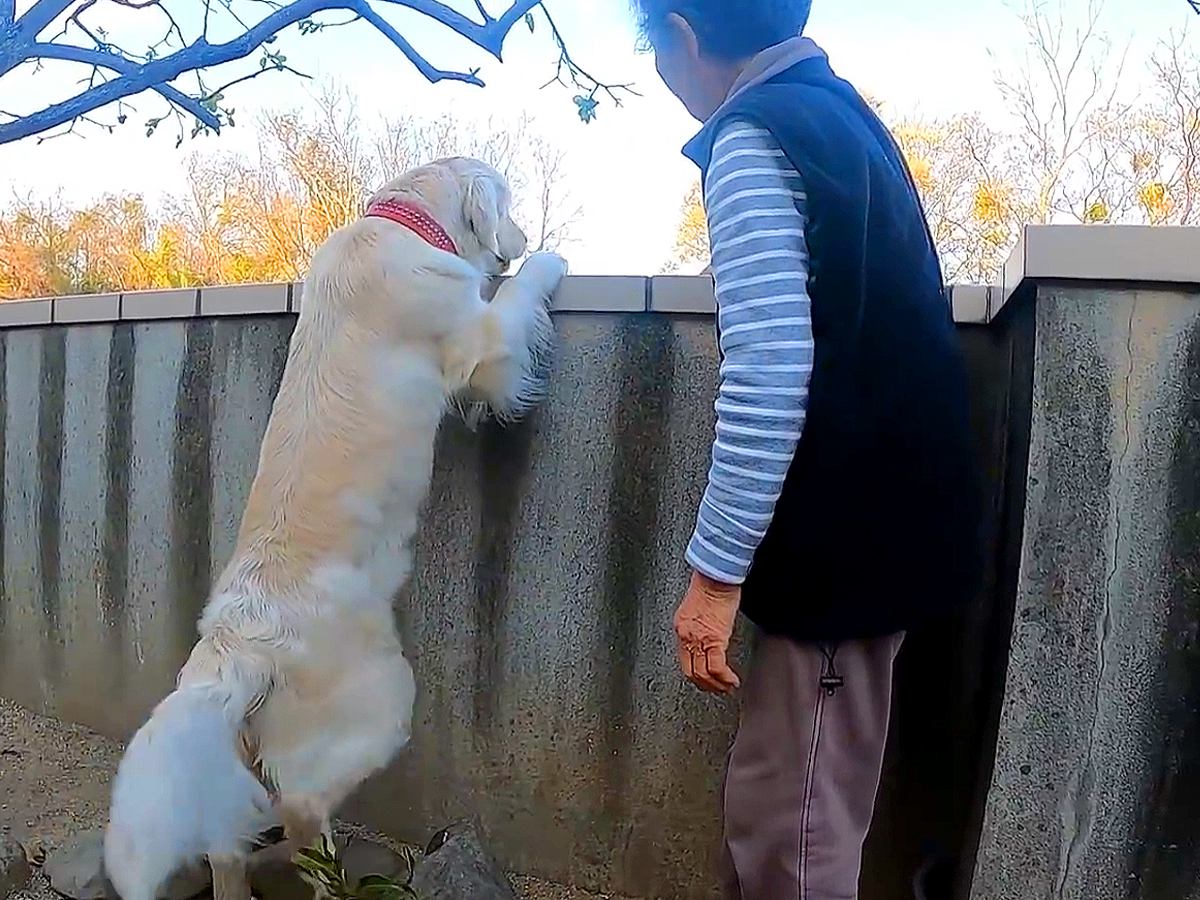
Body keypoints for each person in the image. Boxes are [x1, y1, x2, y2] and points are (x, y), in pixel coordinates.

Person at [633, 2, 981, 897]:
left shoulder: (753, 137)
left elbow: (769, 368)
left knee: (794, 825)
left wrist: (713, 579)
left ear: (682, 32)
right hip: (889, 525)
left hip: (843, 549)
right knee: (801, 802)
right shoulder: (840, 116)